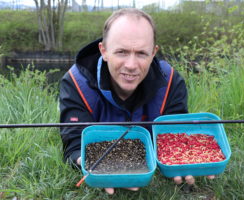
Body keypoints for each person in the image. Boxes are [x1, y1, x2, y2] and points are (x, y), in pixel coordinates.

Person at [59, 8, 214, 194]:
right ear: (104, 51)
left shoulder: (172, 81)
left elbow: (175, 137)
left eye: (141, 53)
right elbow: (74, 146)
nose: (131, 65)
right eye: (122, 52)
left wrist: (181, 161)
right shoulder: (75, 82)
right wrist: (96, 166)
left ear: (153, 53)